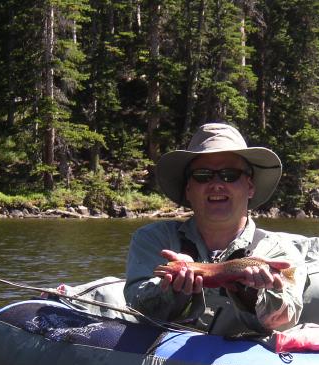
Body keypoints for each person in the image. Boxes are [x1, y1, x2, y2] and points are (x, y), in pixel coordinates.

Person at [124, 123, 307, 336]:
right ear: (188, 188)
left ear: (250, 187)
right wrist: (172, 290)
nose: (217, 184)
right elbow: (136, 307)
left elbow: (286, 320)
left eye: (229, 174)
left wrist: (252, 295)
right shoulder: (152, 240)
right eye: (203, 175)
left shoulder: (280, 252)